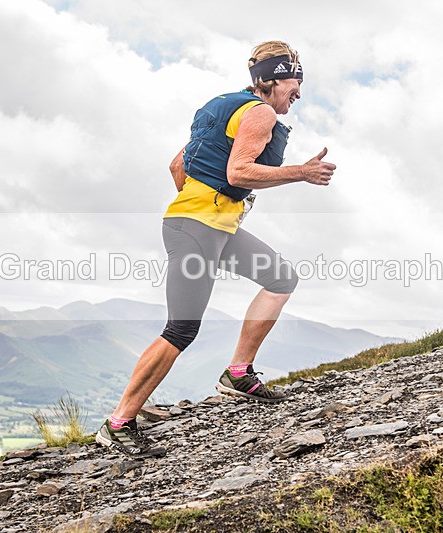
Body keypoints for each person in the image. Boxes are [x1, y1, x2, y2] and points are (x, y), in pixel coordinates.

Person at [96, 40, 336, 457]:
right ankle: (118, 423)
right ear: (274, 79)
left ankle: (238, 374)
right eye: (295, 84)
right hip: (200, 228)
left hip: (209, 225)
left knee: (280, 277)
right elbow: (238, 170)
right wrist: (301, 172)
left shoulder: (223, 107)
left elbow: (177, 165)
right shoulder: (259, 112)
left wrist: (204, 206)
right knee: (182, 329)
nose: (297, 93)